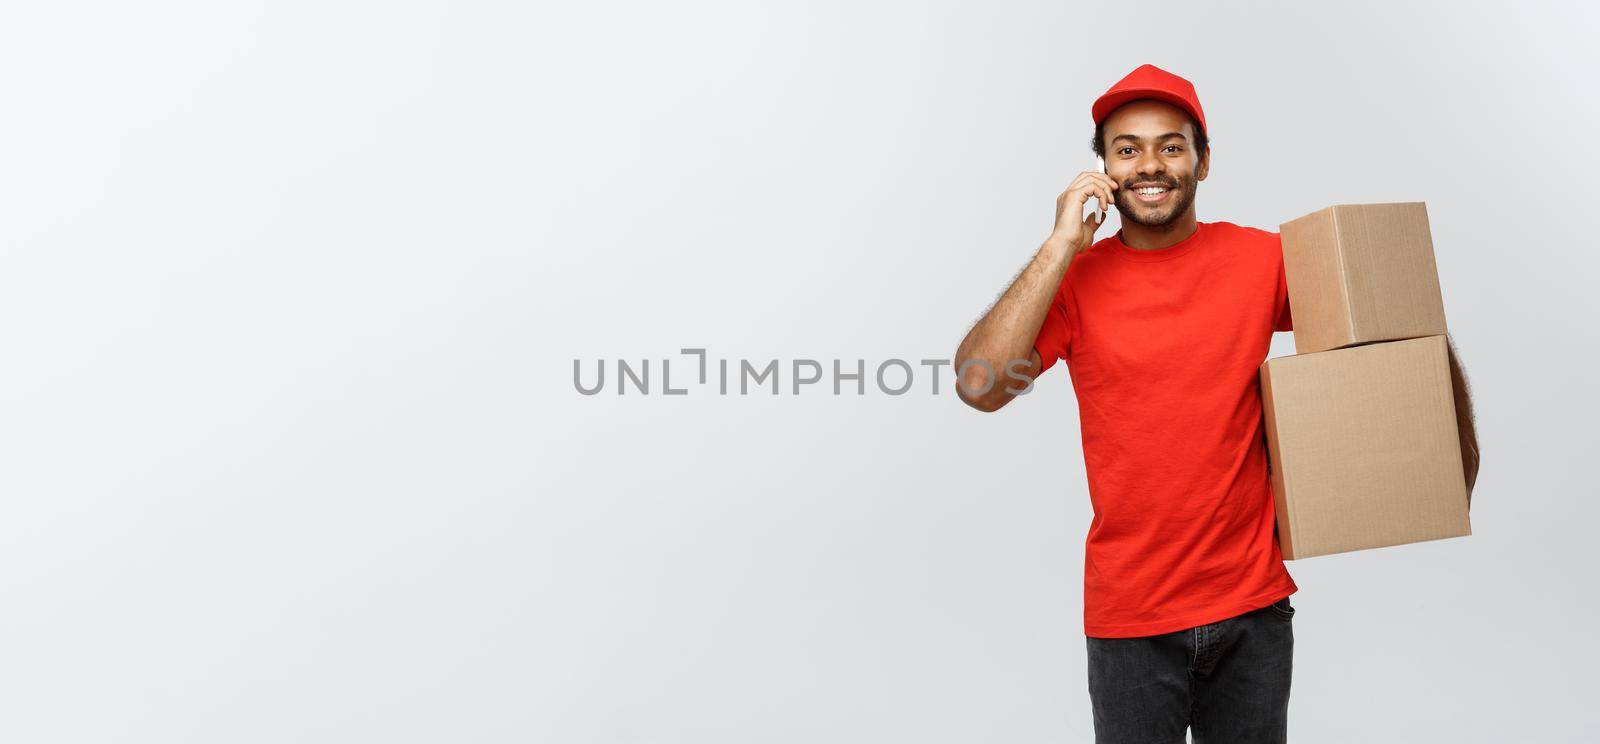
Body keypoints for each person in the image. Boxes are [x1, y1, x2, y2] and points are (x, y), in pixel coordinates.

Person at [951, 64, 1480, 743]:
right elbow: (979, 385)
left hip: (1253, 607)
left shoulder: (1261, 260)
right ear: (1104, 170)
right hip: (1131, 621)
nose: (1151, 163)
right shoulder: (1074, 283)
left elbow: (1390, 327)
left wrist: (1450, 451)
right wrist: (1059, 246)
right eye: (1127, 148)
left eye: (1172, 146)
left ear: (1204, 161)